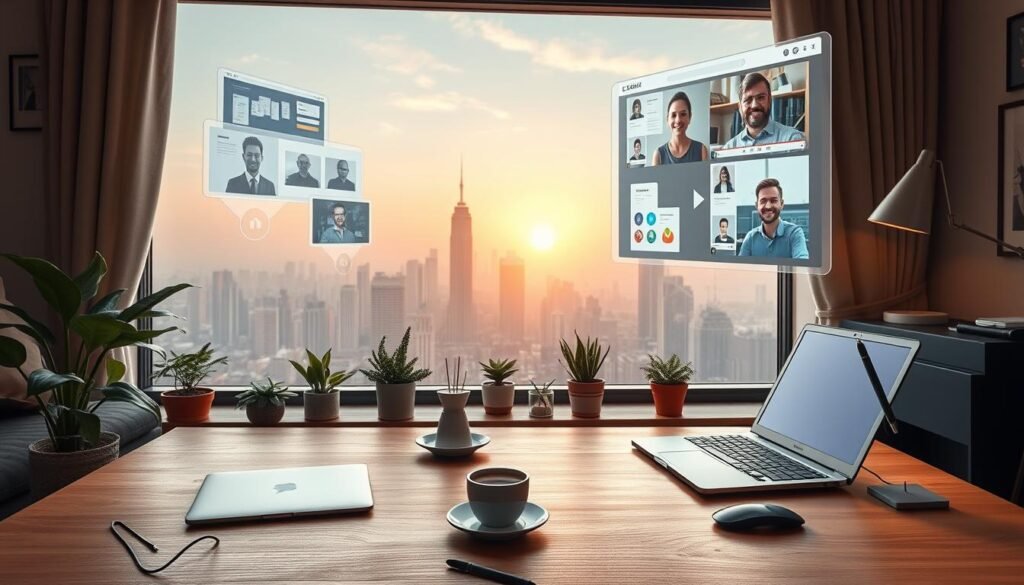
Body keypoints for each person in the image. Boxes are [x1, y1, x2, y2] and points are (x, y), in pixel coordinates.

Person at [723, 72, 805, 149]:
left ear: (769, 101)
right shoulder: (729, 148)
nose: (754, 105)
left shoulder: (792, 139)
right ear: (740, 107)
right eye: (748, 100)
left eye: (761, 97)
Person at [738, 178, 808, 259]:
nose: (768, 206)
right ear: (757, 206)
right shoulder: (750, 238)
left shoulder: (794, 233)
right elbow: (740, 269)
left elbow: (803, 266)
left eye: (773, 200)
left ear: (781, 204)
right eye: (763, 201)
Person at [652, 92, 708, 165]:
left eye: (683, 114)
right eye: (673, 115)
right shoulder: (658, 155)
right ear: (667, 119)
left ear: (690, 117)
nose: (678, 120)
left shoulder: (701, 150)